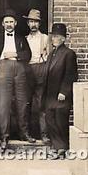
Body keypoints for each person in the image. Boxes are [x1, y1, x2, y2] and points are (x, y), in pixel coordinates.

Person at [0, 10, 35, 151]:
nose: (9, 24)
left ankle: (24, 133)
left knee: (22, 102)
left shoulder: (21, 37)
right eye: (6, 22)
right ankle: (4, 137)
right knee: (3, 103)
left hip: (19, 68)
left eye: (11, 22)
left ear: (15, 23)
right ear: (3, 24)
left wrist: (15, 54)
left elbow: (28, 54)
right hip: (4, 68)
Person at [43, 23, 78, 157]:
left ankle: (62, 149)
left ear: (63, 39)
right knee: (50, 120)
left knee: (60, 121)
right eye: (53, 36)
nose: (53, 39)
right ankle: (57, 147)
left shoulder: (69, 54)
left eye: (56, 37)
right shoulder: (52, 54)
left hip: (61, 95)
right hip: (50, 95)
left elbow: (71, 75)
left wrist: (64, 91)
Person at [23, 9, 50, 143]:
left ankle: (44, 134)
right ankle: (27, 134)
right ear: (28, 23)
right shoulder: (25, 39)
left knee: (41, 105)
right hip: (28, 70)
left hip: (41, 69)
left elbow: (49, 57)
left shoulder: (45, 38)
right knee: (26, 104)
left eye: (36, 22)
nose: (33, 24)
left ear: (39, 24)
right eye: (31, 21)